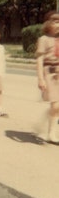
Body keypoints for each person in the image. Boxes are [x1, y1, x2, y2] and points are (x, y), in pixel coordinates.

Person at [36, 11, 59, 143]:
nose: (58, 25)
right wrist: (40, 78)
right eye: (55, 22)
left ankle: (50, 133)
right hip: (49, 74)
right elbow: (39, 60)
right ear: (48, 23)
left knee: (57, 107)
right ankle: (48, 131)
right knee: (55, 105)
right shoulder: (43, 39)